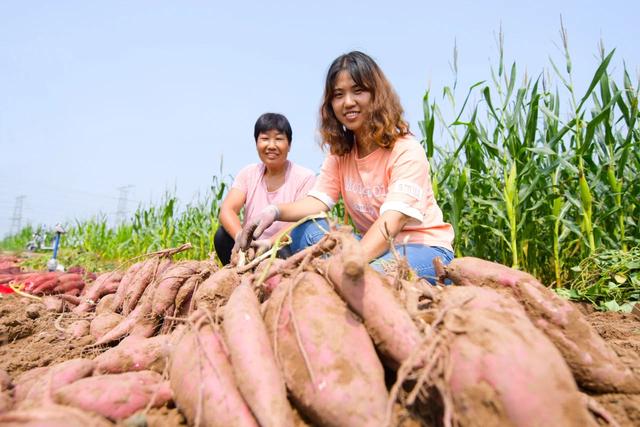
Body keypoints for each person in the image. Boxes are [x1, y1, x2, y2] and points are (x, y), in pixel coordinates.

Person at [239, 51, 454, 282]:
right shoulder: (341, 153)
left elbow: (393, 221)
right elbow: (318, 202)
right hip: (371, 246)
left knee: (370, 279)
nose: (348, 102)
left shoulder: (406, 150)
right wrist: (274, 212)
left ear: (376, 95)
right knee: (307, 229)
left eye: (358, 91)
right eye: (339, 95)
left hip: (421, 248)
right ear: (331, 104)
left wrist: (348, 266)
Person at [214, 113, 316, 265]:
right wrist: (240, 237)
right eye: (265, 139)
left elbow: (300, 222)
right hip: (251, 246)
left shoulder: (305, 177)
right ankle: (238, 276)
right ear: (256, 143)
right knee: (221, 235)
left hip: (283, 247)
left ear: (289, 145)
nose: (271, 145)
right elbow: (227, 210)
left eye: (279, 139)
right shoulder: (248, 173)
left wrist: (269, 243)